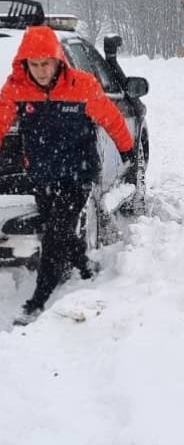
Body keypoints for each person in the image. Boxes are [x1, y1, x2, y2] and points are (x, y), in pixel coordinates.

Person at [0, 25, 134, 323]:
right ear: (25, 64)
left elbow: (111, 119)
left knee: (55, 233)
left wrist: (127, 149)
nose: (41, 71)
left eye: (45, 63)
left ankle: (36, 302)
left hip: (79, 173)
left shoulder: (82, 85)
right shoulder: (17, 88)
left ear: (58, 60)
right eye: (34, 65)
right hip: (42, 175)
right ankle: (85, 267)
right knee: (60, 230)